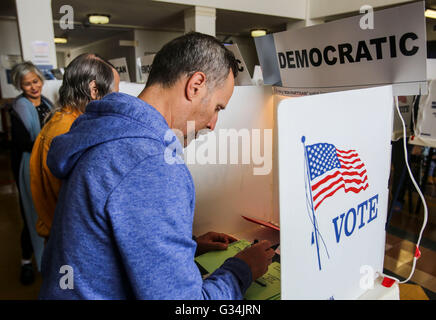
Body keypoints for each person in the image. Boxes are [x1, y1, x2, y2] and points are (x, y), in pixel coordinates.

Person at [39, 32, 274, 300]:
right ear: (195, 85)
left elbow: (105, 244)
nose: (212, 124)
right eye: (218, 107)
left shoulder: (107, 131)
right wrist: (241, 269)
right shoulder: (152, 162)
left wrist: (187, 247)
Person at [30, 53, 120, 240]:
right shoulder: (72, 132)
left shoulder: (60, 120)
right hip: (69, 238)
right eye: (115, 92)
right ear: (94, 89)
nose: (117, 100)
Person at [9, 61, 54, 285]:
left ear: (41, 80)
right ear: (20, 86)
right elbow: (22, 142)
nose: (33, 87)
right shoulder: (18, 107)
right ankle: (26, 261)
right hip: (28, 166)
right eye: (27, 84)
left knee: (48, 213)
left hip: (48, 165)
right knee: (31, 215)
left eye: (35, 81)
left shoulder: (47, 103)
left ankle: (51, 260)